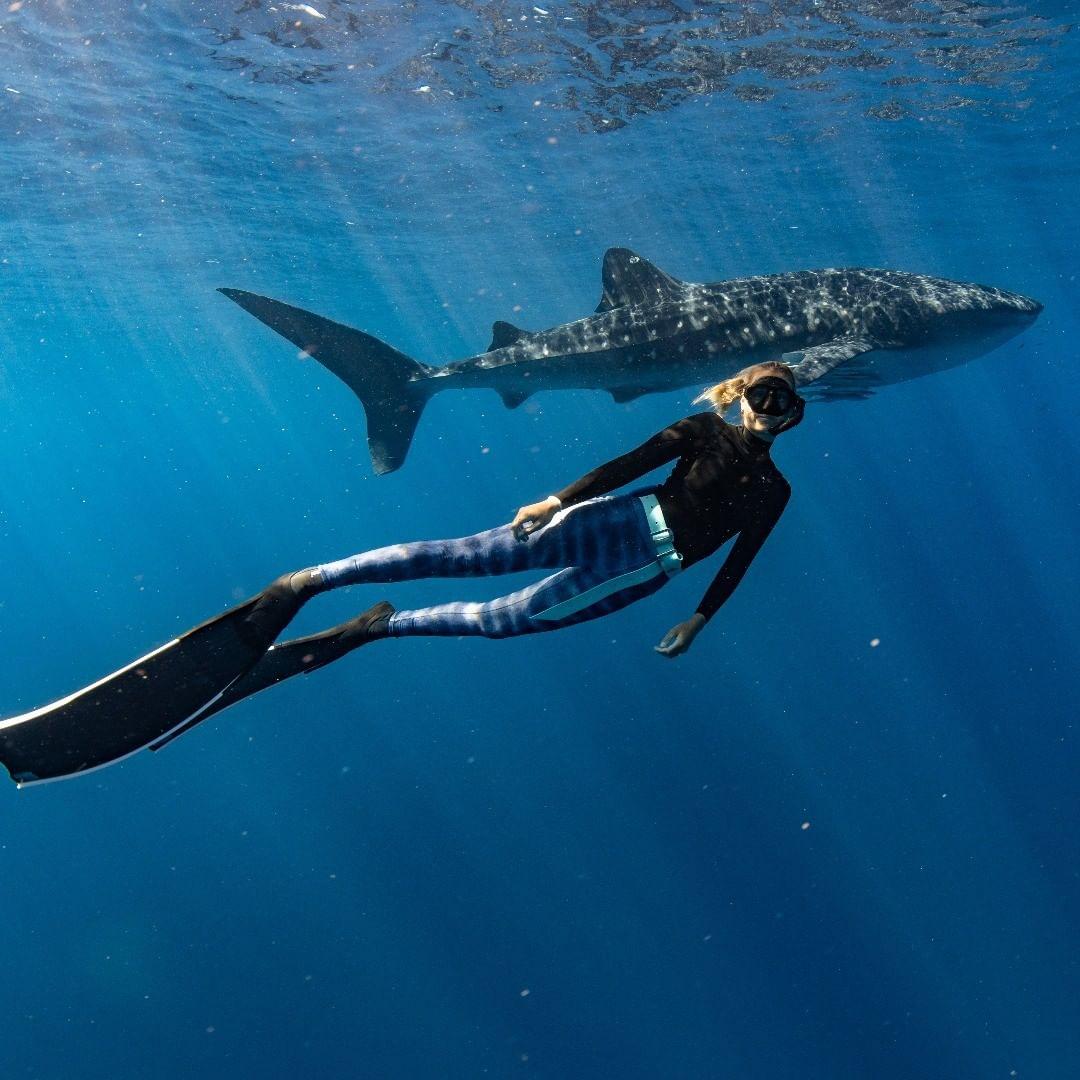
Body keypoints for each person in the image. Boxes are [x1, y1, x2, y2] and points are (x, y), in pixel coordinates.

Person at [194, 361, 805, 722]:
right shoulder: (701, 428)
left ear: (794, 413)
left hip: (646, 570)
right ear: (741, 397)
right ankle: (314, 579)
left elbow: (741, 560)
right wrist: (557, 500)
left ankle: (377, 627)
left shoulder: (776, 492)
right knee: (464, 555)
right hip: (611, 518)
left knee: (499, 621)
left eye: (782, 401)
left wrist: (700, 618)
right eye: (761, 395)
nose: (768, 409)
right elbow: (629, 462)